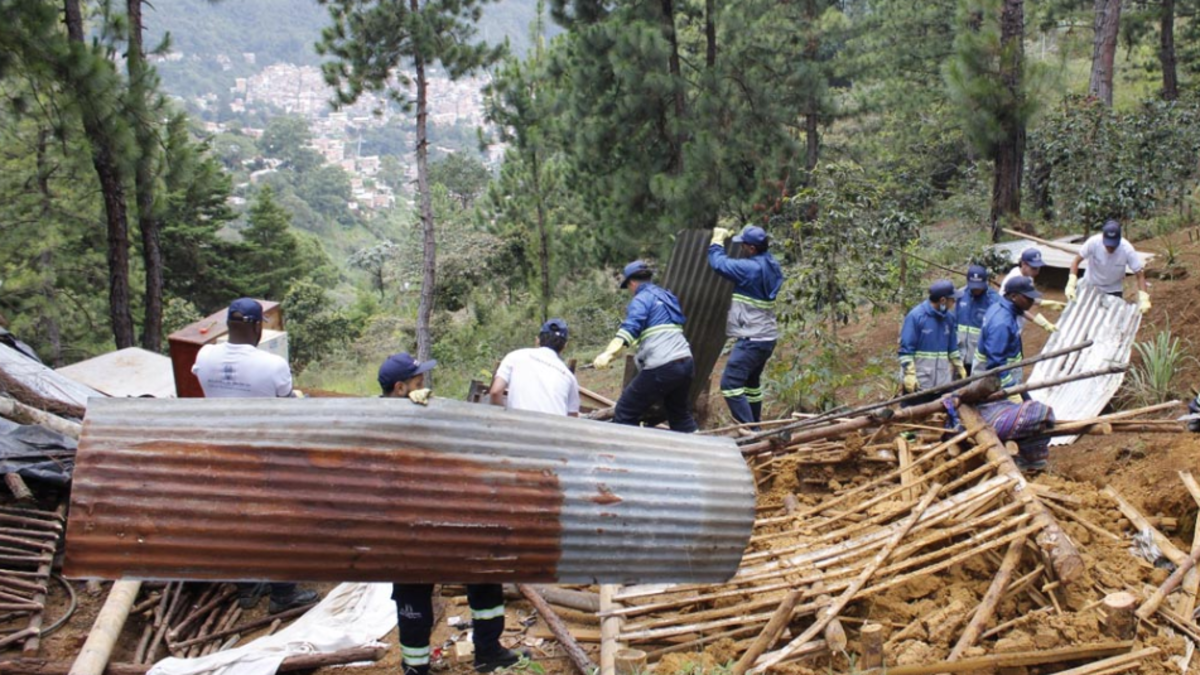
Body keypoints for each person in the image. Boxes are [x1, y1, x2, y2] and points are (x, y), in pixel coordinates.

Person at [380, 354, 527, 675]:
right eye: (419, 383)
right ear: (400, 387)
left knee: (485, 574)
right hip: (406, 527)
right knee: (413, 592)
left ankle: (488, 649)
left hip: (446, 515)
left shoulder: (426, 411)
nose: (425, 388)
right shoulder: (377, 420)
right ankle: (416, 667)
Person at [191, 298, 319, 613]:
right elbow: (287, 404)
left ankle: (248, 588)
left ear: (227, 326)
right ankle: (283, 593)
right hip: (265, 456)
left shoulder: (204, 355)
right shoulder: (271, 365)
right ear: (258, 326)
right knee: (282, 520)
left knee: (237, 520)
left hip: (221, 453)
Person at [592, 261, 698, 432]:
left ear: (632, 283)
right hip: (686, 362)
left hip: (664, 365)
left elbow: (631, 328)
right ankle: (698, 451)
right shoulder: (668, 297)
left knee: (625, 411)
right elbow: (657, 331)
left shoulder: (641, 299)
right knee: (679, 415)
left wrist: (608, 354)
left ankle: (630, 454)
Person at [707, 225, 785, 425]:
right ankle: (757, 425)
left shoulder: (751, 269)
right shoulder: (771, 264)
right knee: (751, 385)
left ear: (751, 248)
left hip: (753, 338)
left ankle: (751, 433)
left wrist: (716, 240)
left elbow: (718, 264)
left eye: (743, 245)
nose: (740, 248)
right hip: (766, 337)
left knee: (730, 384)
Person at [488, 319, 580, 417]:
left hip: (517, 428)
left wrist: (504, 418)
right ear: (565, 346)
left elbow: (495, 392)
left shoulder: (515, 356)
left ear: (537, 340)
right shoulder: (569, 377)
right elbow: (573, 417)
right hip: (552, 431)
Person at [898, 280, 963, 405]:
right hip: (919, 382)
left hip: (942, 381)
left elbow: (952, 346)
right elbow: (906, 350)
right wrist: (909, 374)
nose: (954, 302)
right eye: (952, 299)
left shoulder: (949, 318)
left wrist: (958, 365)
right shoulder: (916, 317)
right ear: (943, 300)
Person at [1067, 219, 1150, 314]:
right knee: (1085, 315)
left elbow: (1140, 275)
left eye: (1113, 246)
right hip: (1091, 285)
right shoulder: (1093, 243)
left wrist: (1144, 298)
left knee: (1110, 319)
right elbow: (1076, 261)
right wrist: (1071, 282)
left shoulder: (1127, 250)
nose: (1110, 248)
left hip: (1113, 289)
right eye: (1108, 245)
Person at [976, 276, 1041, 393]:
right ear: (1013, 296)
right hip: (995, 382)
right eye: (1028, 298)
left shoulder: (1003, 307)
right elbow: (996, 363)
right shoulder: (1002, 323)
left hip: (1008, 374)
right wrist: (1009, 390)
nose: (1032, 301)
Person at [1001, 248, 1064, 334]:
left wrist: (1047, 303)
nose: (1037, 272)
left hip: (1017, 323)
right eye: (1034, 268)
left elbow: (1028, 298)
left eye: (1038, 268)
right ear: (1023, 264)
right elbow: (1016, 308)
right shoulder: (1014, 280)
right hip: (1008, 323)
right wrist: (1042, 323)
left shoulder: (1028, 277)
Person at [955, 265, 1001, 372]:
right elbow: (955, 324)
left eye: (978, 286)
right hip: (961, 357)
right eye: (973, 286)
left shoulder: (993, 300)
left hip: (980, 359)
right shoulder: (960, 295)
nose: (976, 289)